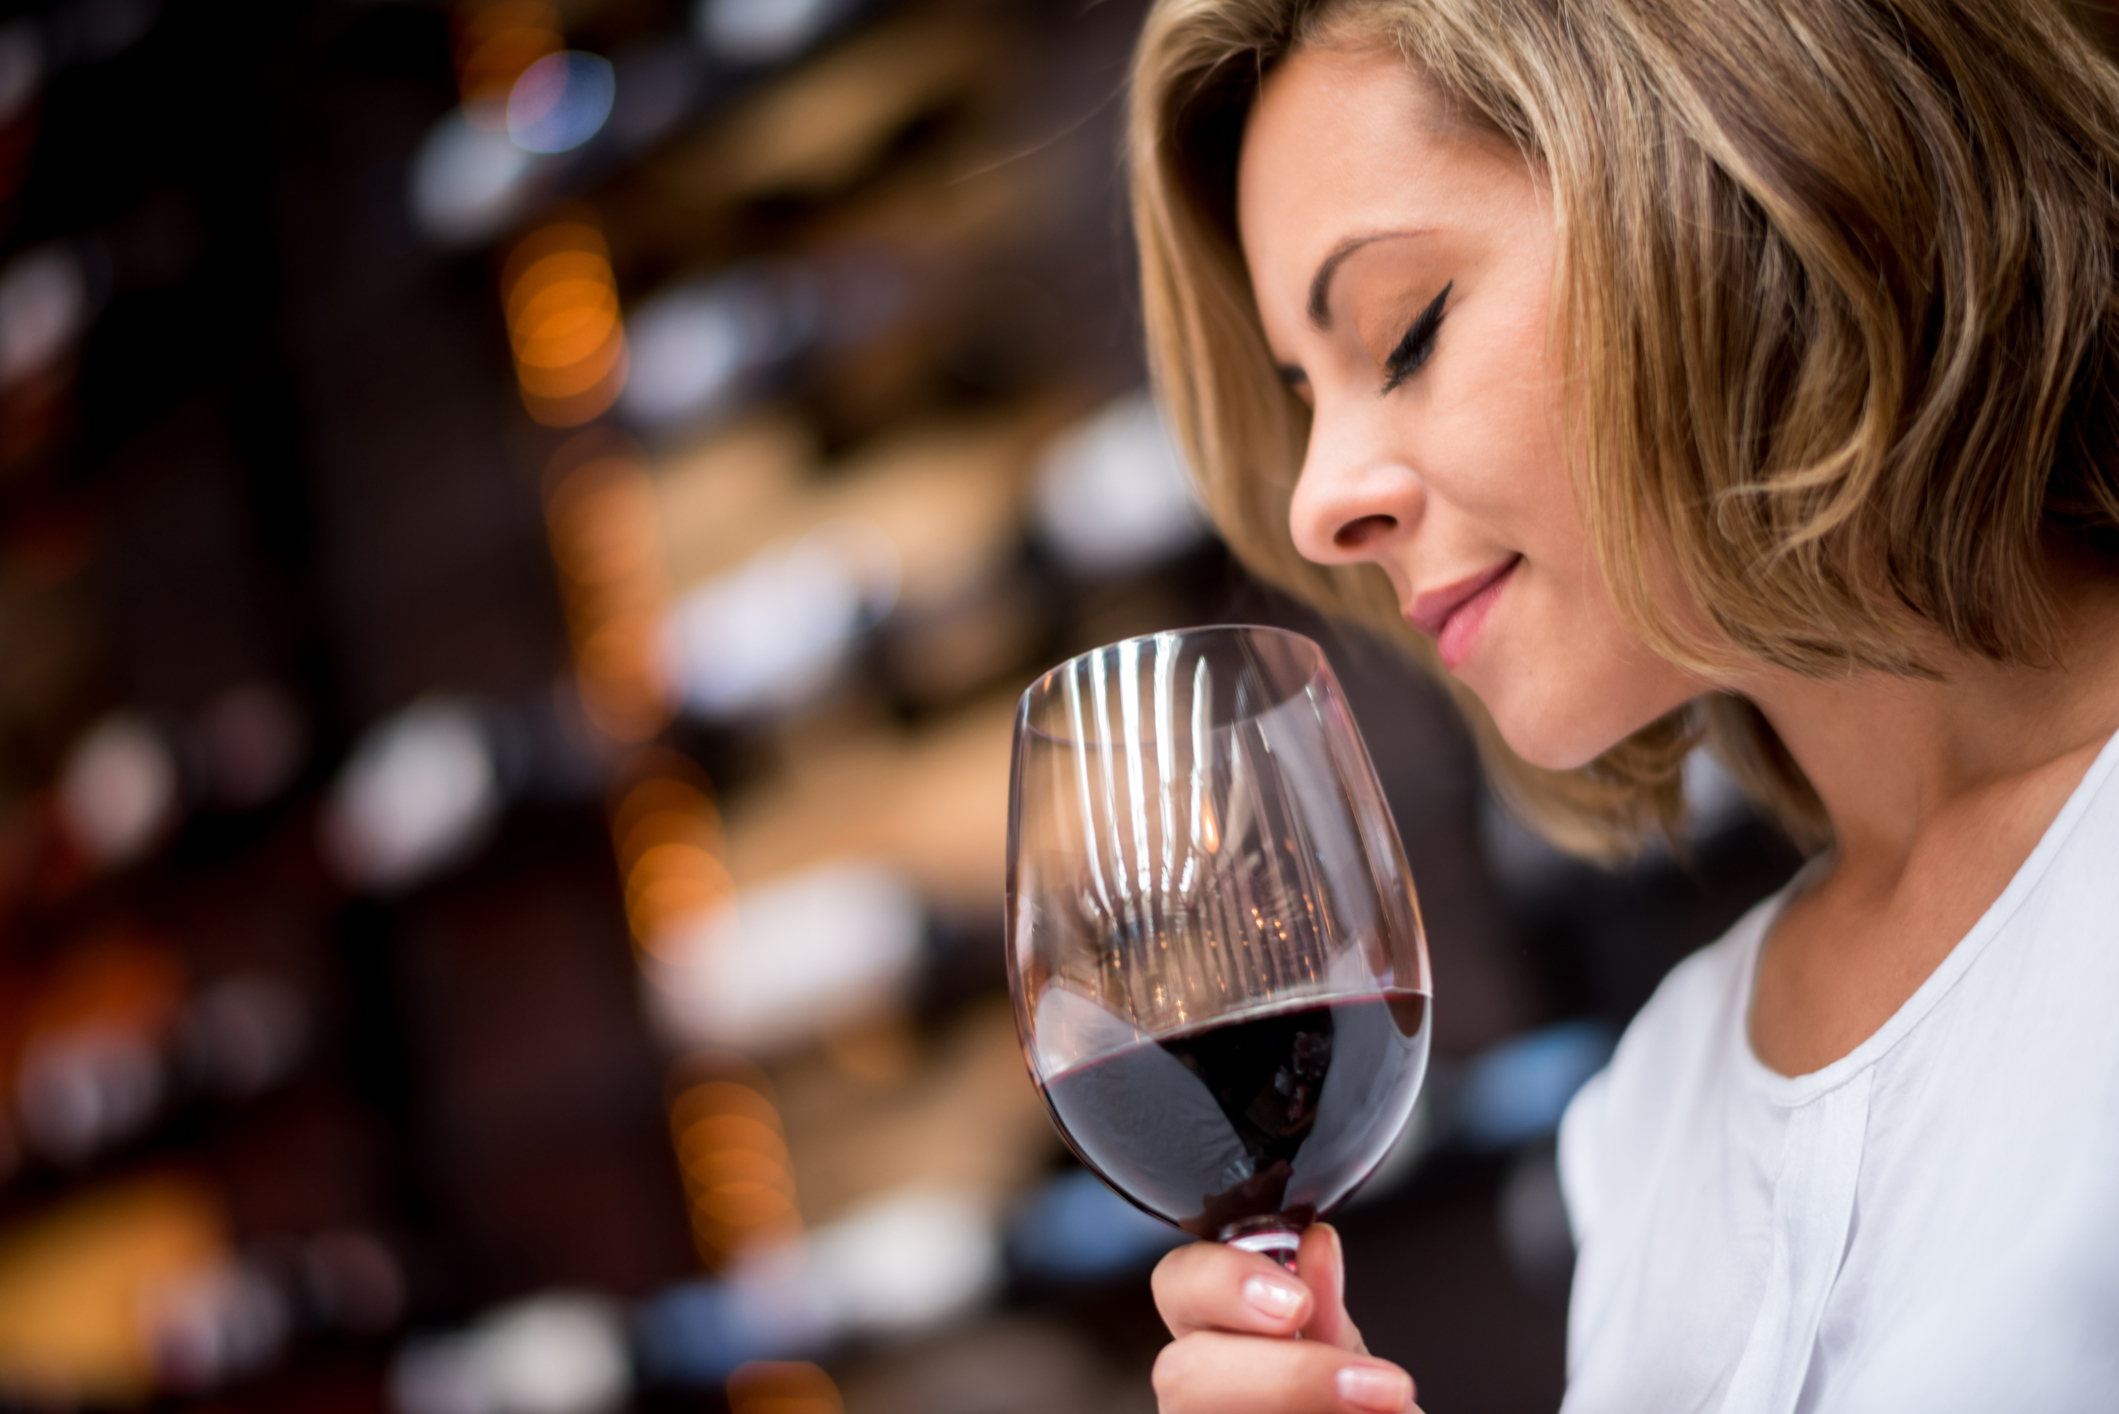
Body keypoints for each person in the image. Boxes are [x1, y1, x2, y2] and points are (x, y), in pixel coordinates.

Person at [1125, 0, 2119, 1410]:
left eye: (1405, 333)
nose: (1316, 503)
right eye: (1305, 398)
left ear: (1747, 156)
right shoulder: (1657, 1115)